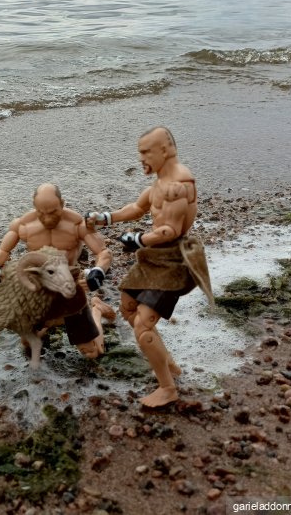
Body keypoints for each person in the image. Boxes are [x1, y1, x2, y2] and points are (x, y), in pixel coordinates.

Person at [87, 126, 213, 407]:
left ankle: (167, 388)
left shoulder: (178, 185)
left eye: (145, 152)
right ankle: (169, 364)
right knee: (128, 305)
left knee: (143, 326)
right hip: (154, 258)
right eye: (139, 152)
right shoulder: (158, 184)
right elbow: (136, 208)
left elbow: (170, 229)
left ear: (165, 150)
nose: (141, 158)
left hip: (174, 261)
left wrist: (138, 238)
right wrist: (104, 217)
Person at [0, 183, 115, 358]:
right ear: (34, 207)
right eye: (41, 212)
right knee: (28, 345)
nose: (47, 218)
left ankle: (96, 309)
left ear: (62, 203)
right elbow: (3, 250)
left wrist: (98, 271)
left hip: (70, 289)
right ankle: (52, 322)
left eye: (53, 212)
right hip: (40, 289)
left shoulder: (76, 224)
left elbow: (103, 252)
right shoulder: (23, 225)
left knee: (92, 353)